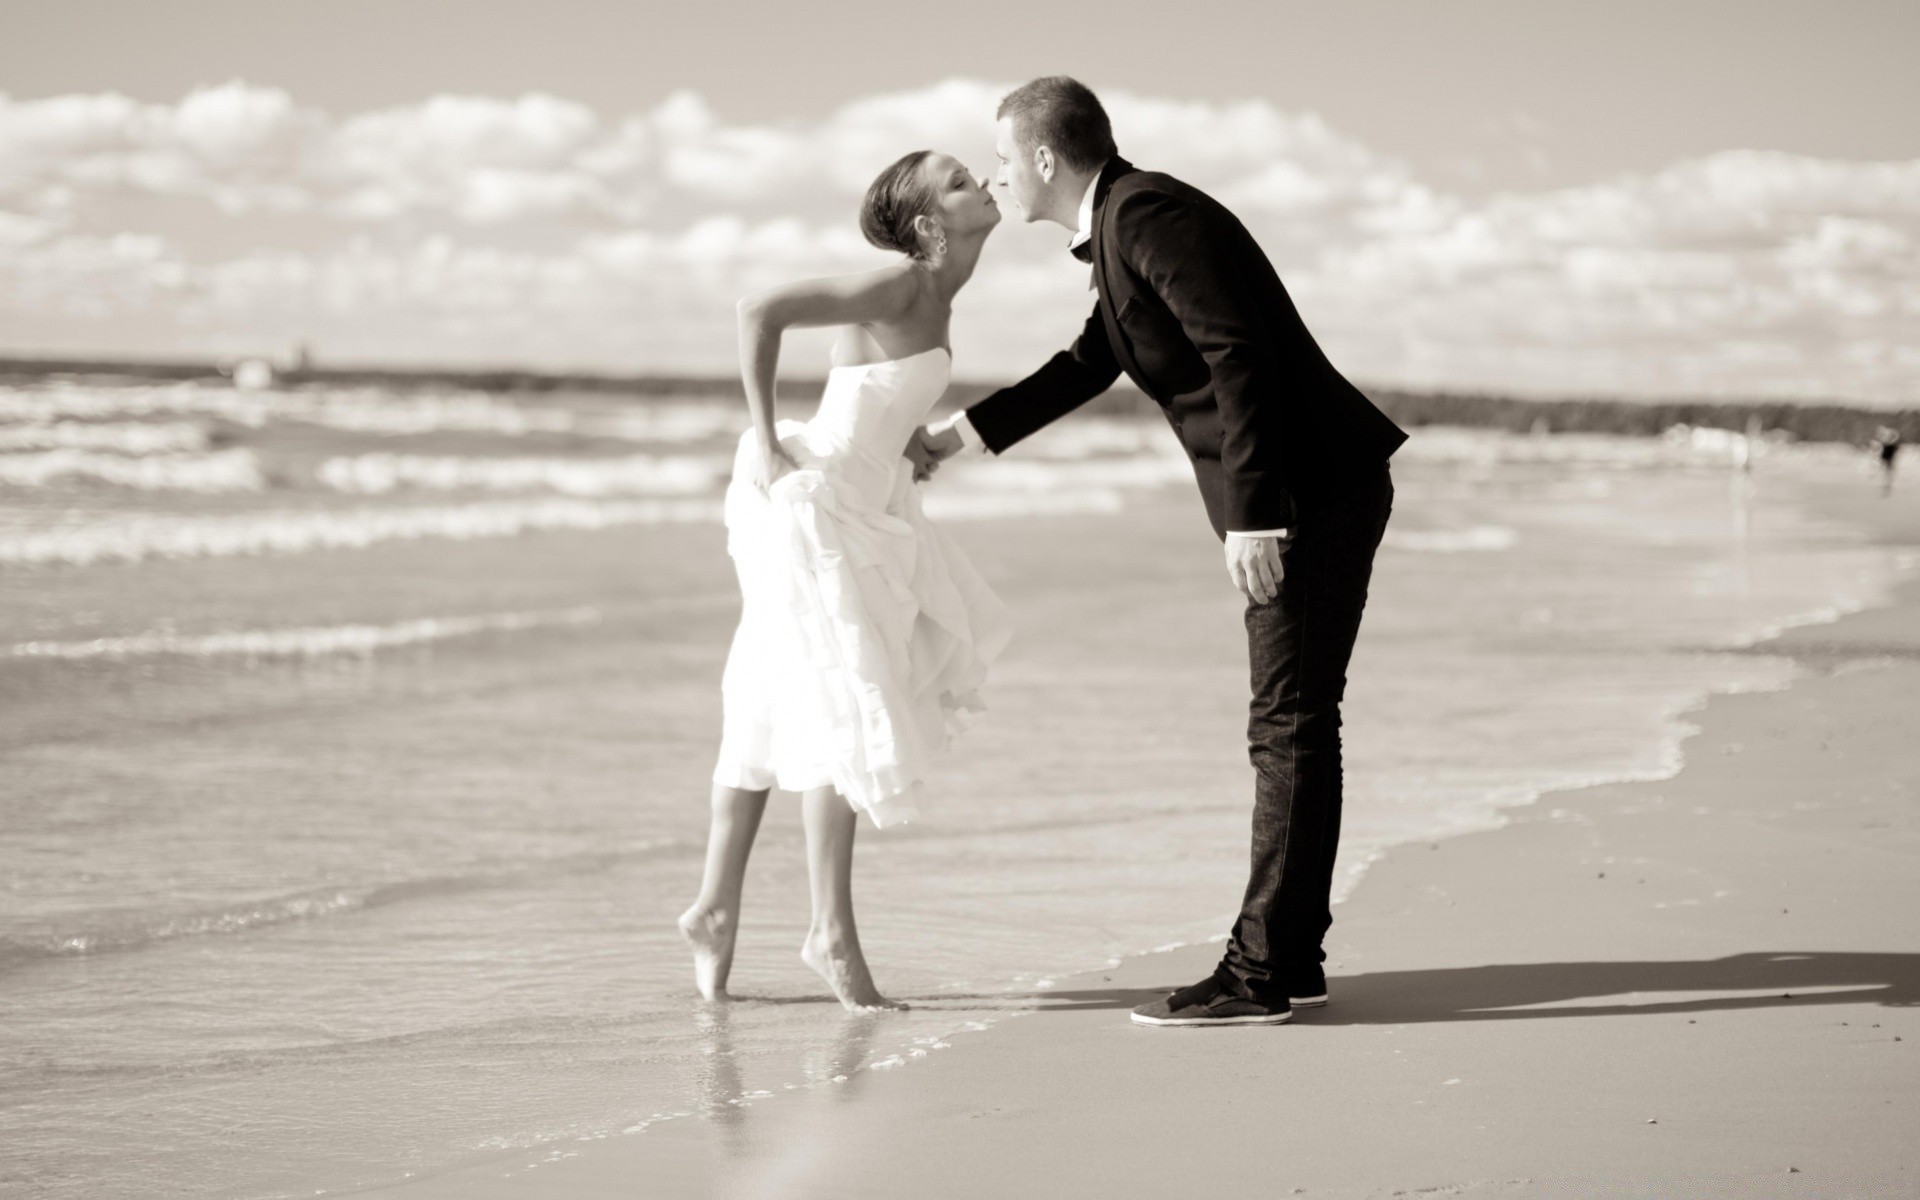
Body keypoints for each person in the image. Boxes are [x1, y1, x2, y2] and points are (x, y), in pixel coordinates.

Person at [916, 77, 1407, 1027]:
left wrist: (1257, 515)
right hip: (1313, 488)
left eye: (1006, 159)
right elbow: (1088, 362)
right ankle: (1290, 956)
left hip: (1311, 493)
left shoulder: (1148, 215)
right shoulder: (1119, 231)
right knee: (1296, 723)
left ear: (1047, 158)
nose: (999, 176)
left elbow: (1238, 354)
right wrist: (959, 437)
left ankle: (1258, 971)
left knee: (1290, 725)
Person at [679, 151, 1011, 1013]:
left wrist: (906, 443)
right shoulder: (901, 284)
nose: (984, 183)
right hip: (814, 507)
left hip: (863, 504)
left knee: (770, 693)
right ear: (932, 224)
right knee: (841, 701)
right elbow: (761, 311)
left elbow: (870, 391)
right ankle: (830, 936)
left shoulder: (939, 298)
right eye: (961, 180)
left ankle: (715, 907)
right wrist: (768, 437)